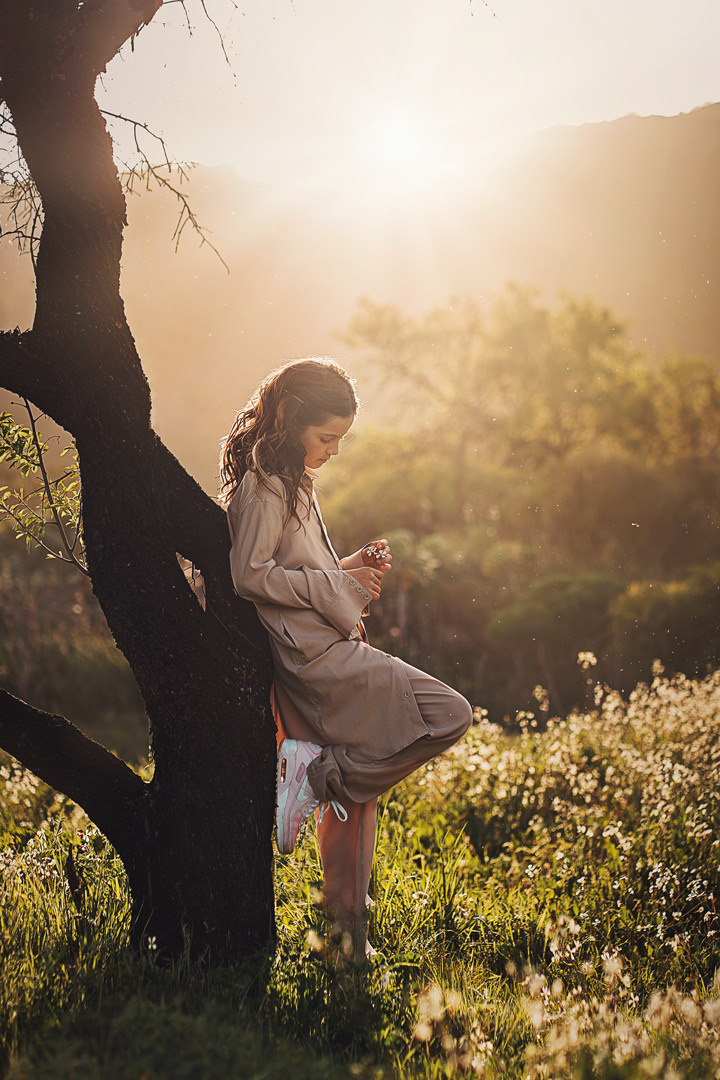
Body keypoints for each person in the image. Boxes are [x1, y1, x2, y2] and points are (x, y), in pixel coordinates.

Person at [221, 357, 472, 961]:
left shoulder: (294, 480)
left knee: (356, 805)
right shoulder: (263, 485)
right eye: (326, 437)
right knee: (450, 714)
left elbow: (298, 570)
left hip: (329, 645)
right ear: (290, 421)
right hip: (315, 658)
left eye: (341, 439)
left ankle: (344, 945)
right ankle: (313, 774)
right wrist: (331, 588)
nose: (333, 450)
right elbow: (249, 576)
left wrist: (348, 570)